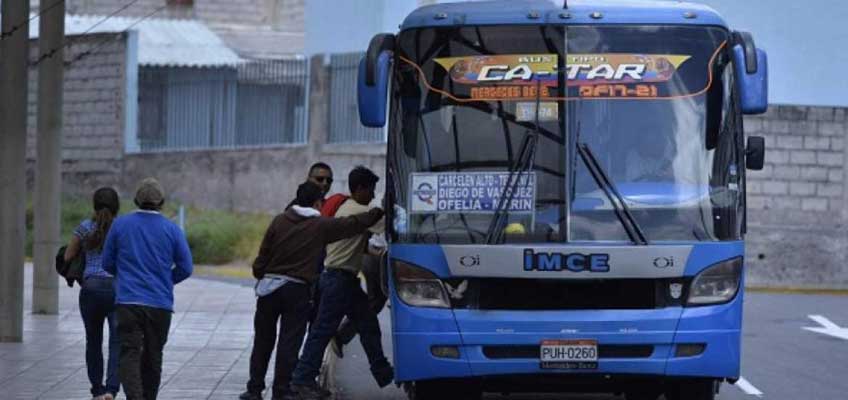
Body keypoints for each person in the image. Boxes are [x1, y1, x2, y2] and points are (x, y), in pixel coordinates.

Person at [240, 181, 385, 400]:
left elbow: (263, 256)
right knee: (289, 342)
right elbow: (352, 224)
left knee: (262, 341)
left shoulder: (279, 220)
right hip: (296, 290)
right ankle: (281, 391)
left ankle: (254, 390)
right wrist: (378, 211)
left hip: (268, 290)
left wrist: (262, 273)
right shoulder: (319, 225)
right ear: (318, 202)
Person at [290, 166, 393, 400]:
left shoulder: (347, 206)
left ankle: (383, 371)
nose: (372, 194)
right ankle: (302, 379)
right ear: (359, 189)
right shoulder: (357, 209)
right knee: (323, 330)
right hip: (338, 279)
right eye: (371, 189)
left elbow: (357, 243)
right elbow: (387, 227)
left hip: (344, 278)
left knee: (367, 324)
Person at [102, 178, 193, 400]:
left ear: (136, 200)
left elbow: (107, 263)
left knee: (129, 353)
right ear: (161, 202)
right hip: (159, 304)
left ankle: (135, 397)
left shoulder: (120, 225)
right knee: (154, 356)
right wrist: (166, 280)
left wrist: (124, 276)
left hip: (128, 302)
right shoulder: (172, 230)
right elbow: (186, 267)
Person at [64, 187, 122, 400]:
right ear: (116, 206)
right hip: (116, 288)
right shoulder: (121, 227)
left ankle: (97, 389)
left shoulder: (84, 227)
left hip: (91, 289)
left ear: (94, 205)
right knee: (117, 341)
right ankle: (111, 389)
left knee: (93, 340)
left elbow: (68, 256)